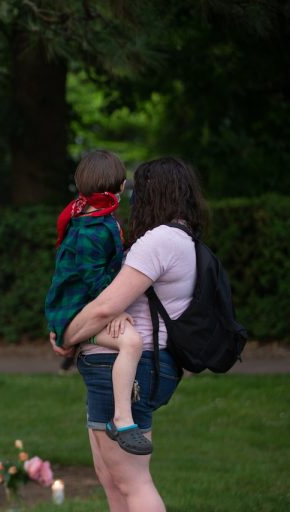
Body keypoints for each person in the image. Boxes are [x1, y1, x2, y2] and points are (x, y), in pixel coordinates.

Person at [52, 156, 206, 511]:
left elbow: (105, 307)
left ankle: (123, 419)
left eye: (138, 188)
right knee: (113, 480)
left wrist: (66, 334)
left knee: (131, 482)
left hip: (129, 366)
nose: (131, 196)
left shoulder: (159, 240)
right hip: (117, 366)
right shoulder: (175, 237)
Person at [45, 150, 150, 455]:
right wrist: (115, 310)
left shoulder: (90, 217)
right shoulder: (91, 229)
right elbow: (92, 280)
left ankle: (121, 417)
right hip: (76, 310)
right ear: (121, 187)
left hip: (85, 306)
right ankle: (122, 420)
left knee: (130, 341)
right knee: (131, 342)